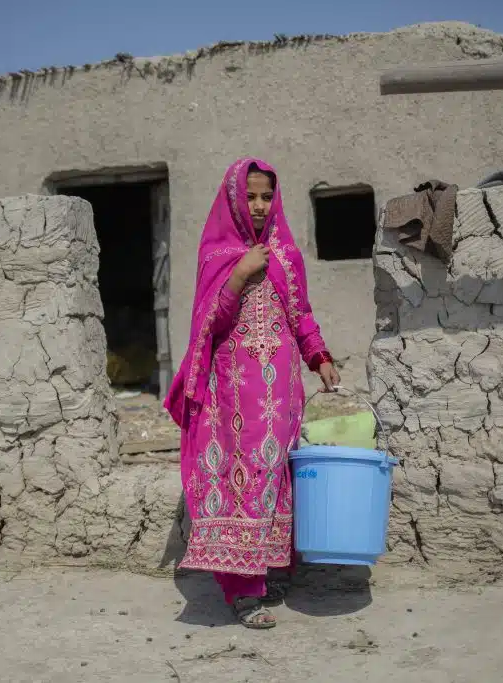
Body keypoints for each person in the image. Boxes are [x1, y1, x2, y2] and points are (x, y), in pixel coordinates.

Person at [164, 157, 340, 629]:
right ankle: (242, 592)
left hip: (281, 394)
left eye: (266, 197)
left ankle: (269, 570)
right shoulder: (218, 255)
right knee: (240, 479)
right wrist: (240, 274)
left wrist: (319, 356)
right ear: (234, 200)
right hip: (234, 396)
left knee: (274, 476)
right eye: (251, 196)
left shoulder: (286, 255)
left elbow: (301, 314)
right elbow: (210, 322)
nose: (259, 206)